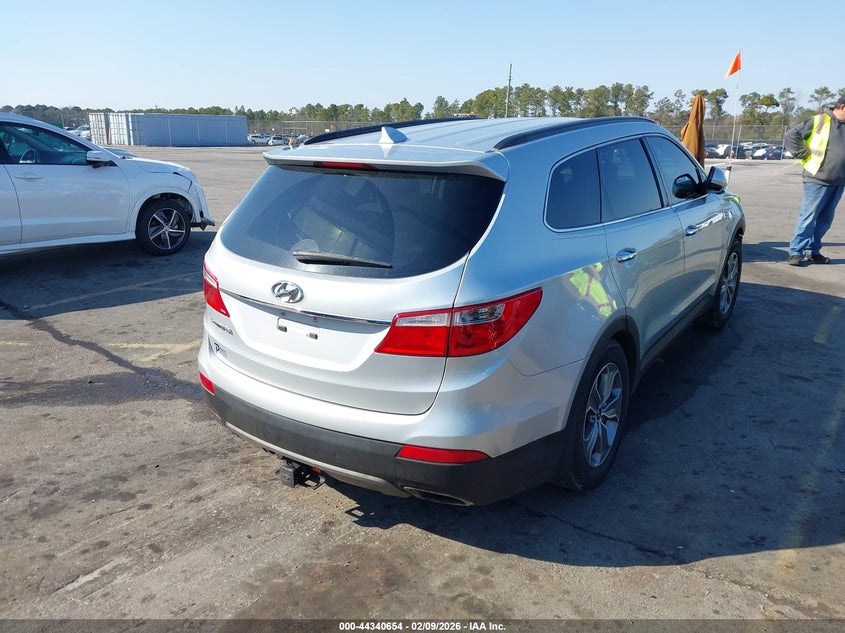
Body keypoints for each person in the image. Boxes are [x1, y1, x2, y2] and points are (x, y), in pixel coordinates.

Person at [784, 95, 845, 266]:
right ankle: (795, 252)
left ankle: (813, 251)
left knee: (825, 219)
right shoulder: (821, 121)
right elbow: (791, 136)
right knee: (809, 216)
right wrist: (804, 154)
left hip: (839, 181)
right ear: (843, 107)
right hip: (817, 179)